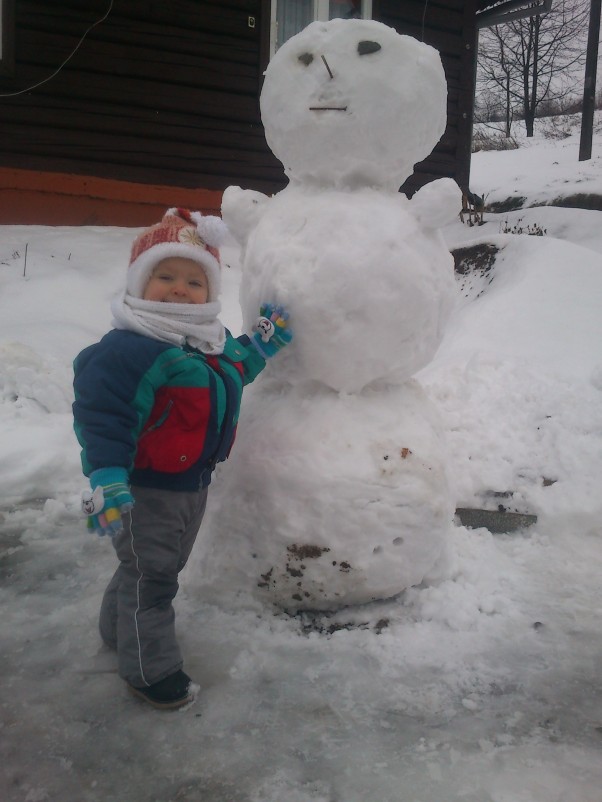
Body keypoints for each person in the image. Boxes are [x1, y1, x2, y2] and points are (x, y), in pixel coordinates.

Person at [72, 208, 291, 710]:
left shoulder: (206, 344)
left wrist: (261, 344)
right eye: (164, 275)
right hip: (146, 490)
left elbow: (235, 367)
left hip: (192, 485)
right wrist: (106, 476)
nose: (179, 289)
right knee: (154, 581)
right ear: (138, 282)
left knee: (143, 569)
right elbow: (102, 416)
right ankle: (149, 671)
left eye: (194, 280)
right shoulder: (129, 349)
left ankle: (117, 632)